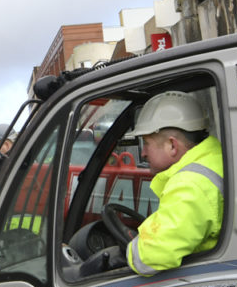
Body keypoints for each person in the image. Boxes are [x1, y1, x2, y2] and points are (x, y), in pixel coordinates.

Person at [81, 91, 223, 277]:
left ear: (172, 145)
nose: (144, 153)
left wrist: (123, 254)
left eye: (147, 143)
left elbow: (149, 258)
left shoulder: (191, 185)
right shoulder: (215, 160)